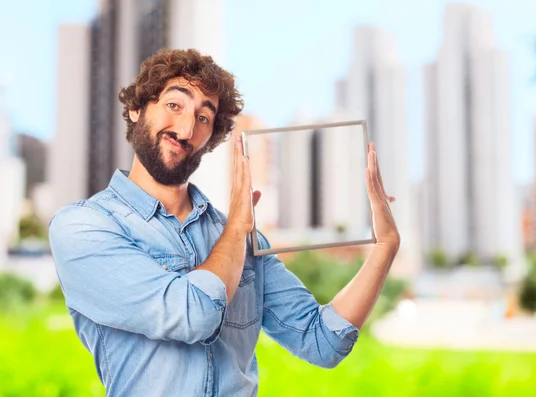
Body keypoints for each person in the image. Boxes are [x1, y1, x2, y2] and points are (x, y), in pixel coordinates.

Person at [49, 48, 400, 397]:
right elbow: (193, 314)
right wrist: (236, 230)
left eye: (204, 117)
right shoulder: (83, 227)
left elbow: (321, 342)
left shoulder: (242, 236)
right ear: (137, 108)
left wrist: (385, 247)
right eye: (174, 105)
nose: (186, 128)